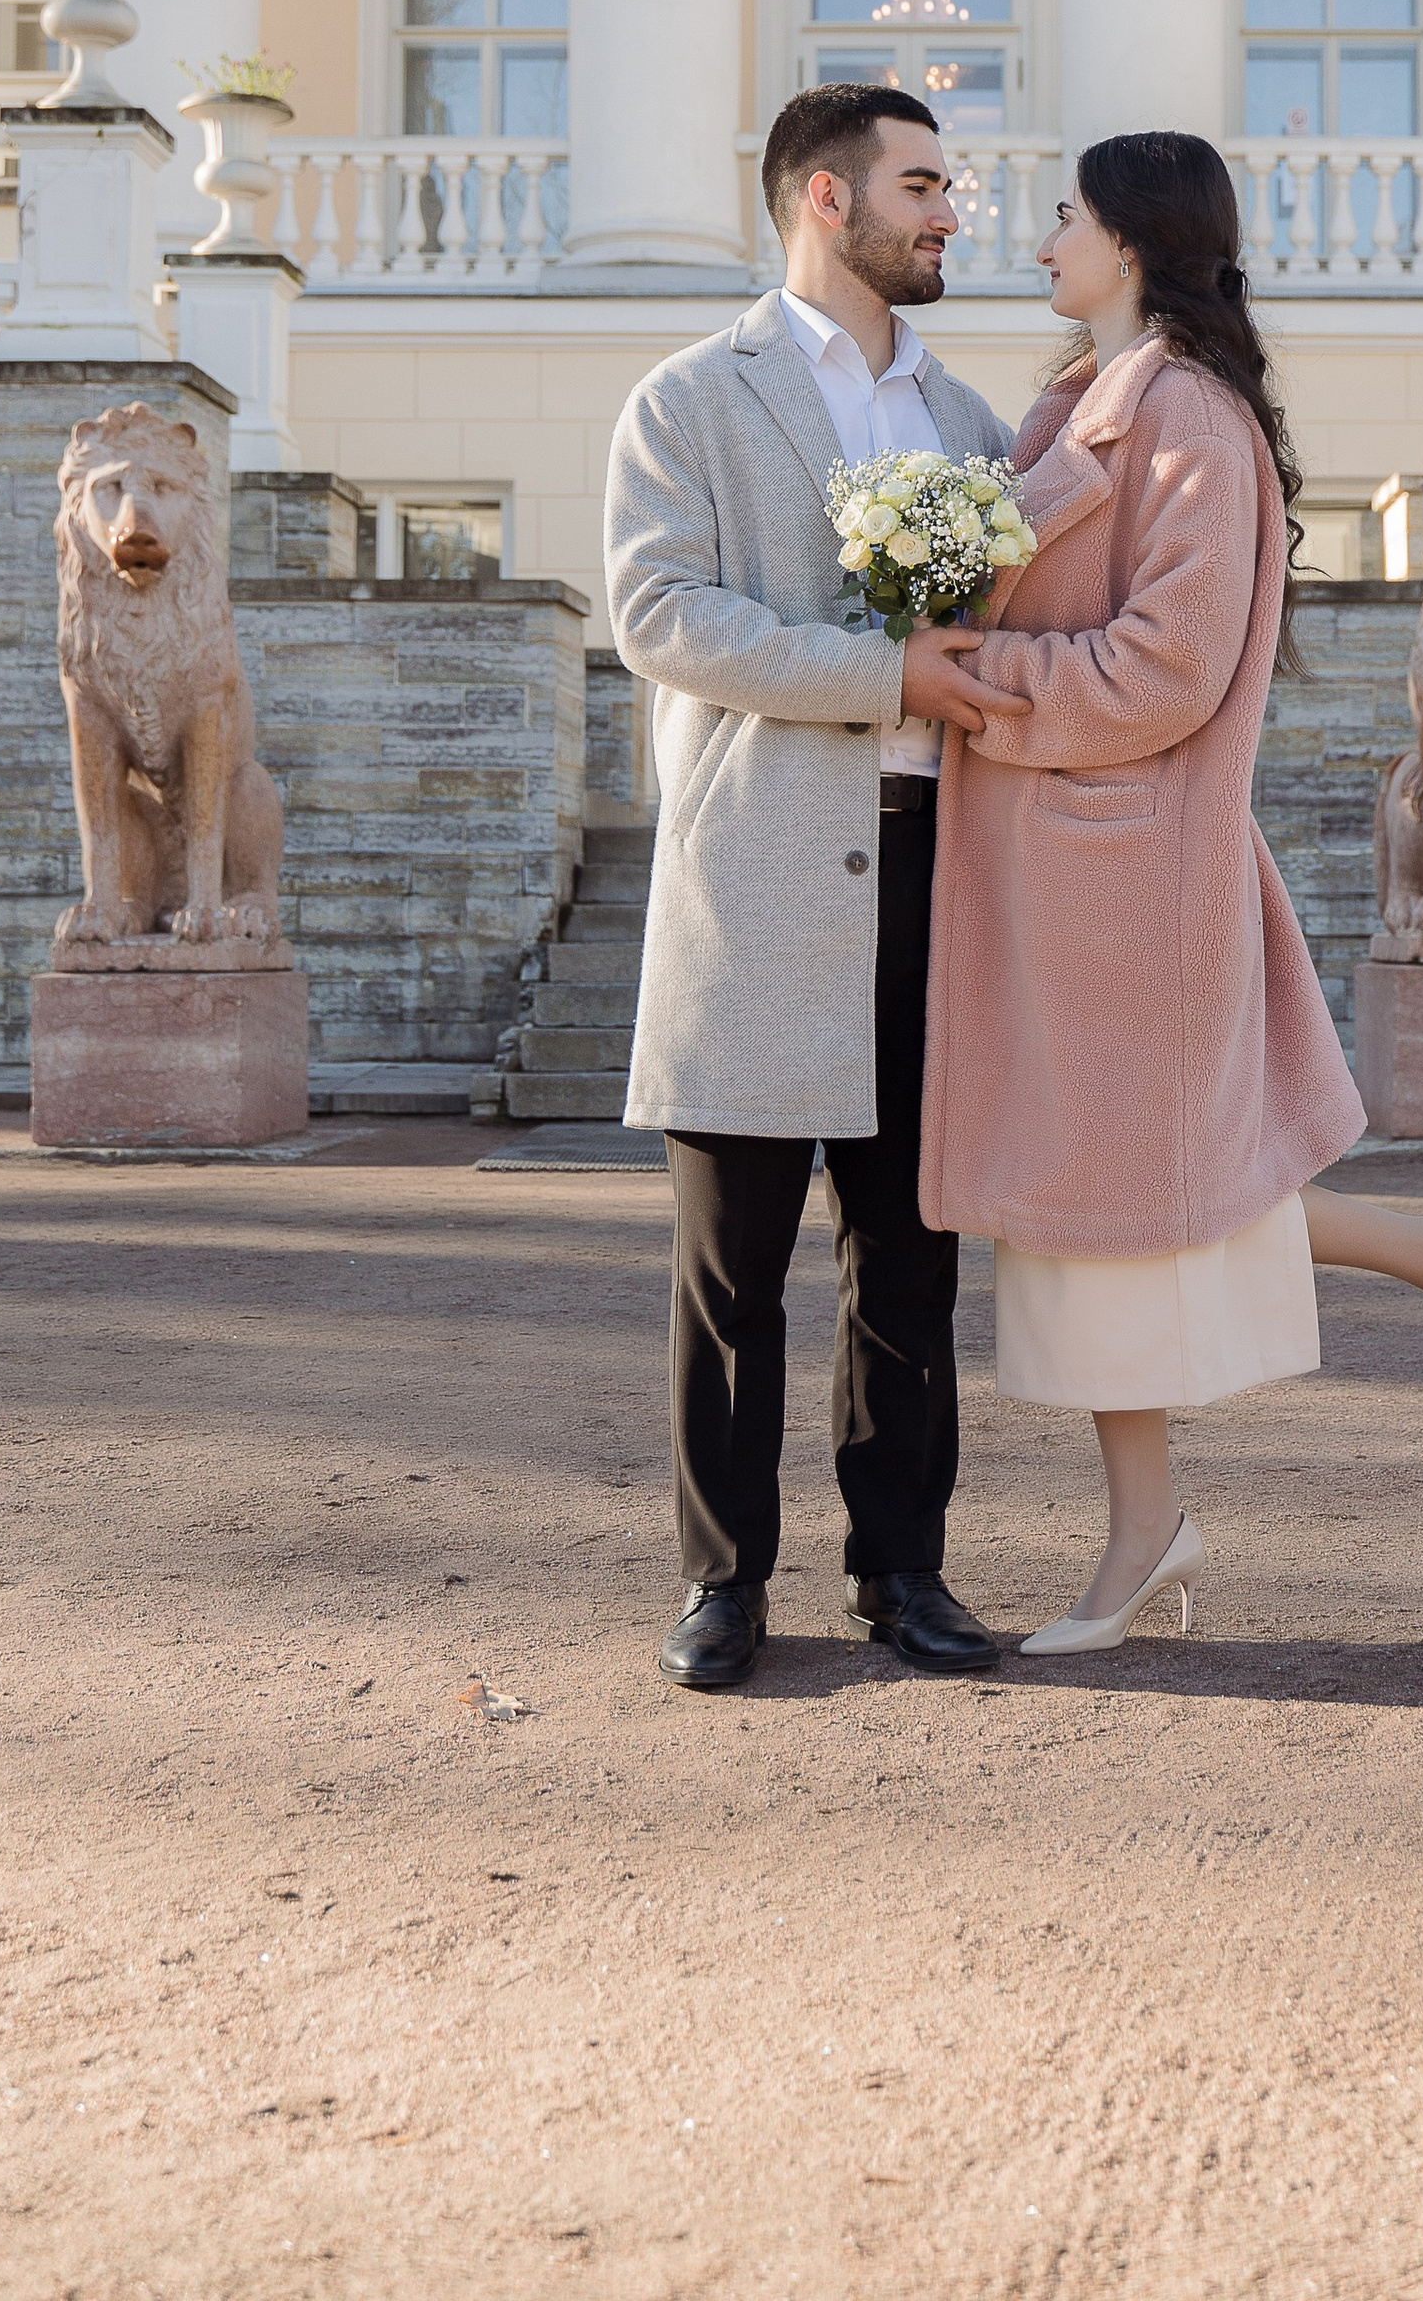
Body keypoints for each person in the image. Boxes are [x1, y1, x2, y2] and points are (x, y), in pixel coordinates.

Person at [919, 130, 1423, 1657]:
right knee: (1108, 1214)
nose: (1042, 237)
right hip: (1056, 875)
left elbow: (1169, 670)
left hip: (1126, 878)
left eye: (1065, 216)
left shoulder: (1189, 419)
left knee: (1123, 1211)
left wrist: (970, 675)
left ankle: (1155, 1532)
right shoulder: (1074, 407)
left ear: (1131, 242)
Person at [605, 84, 1029, 1693]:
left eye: (955, 185)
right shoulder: (689, 401)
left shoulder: (973, 425)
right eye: (926, 185)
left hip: (938, 878)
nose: (951, 212)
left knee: (910, 1262)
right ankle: (724, 1585)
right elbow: (662, 617)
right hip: (757, 872)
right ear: (824, 202)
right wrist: (883, 671)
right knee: (731, 1272)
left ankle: (902, 1572)